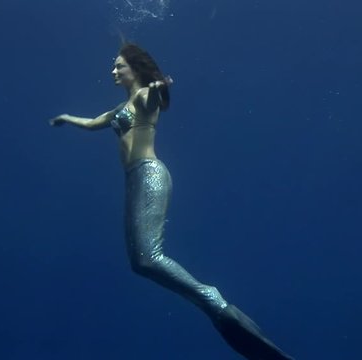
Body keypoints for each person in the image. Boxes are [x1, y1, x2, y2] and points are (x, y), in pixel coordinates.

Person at [49, 43, 294, 360]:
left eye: (119, 66)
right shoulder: (119, 109)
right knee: (140, 263)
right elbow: (94, 121)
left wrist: (159, 87)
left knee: (148, 257)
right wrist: (66, 117)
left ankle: (213, 300)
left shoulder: (142, 98)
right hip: (134, 180)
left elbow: (155, 100)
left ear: (134, 69)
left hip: (150, 174)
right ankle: (216, 310)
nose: (113, 71)